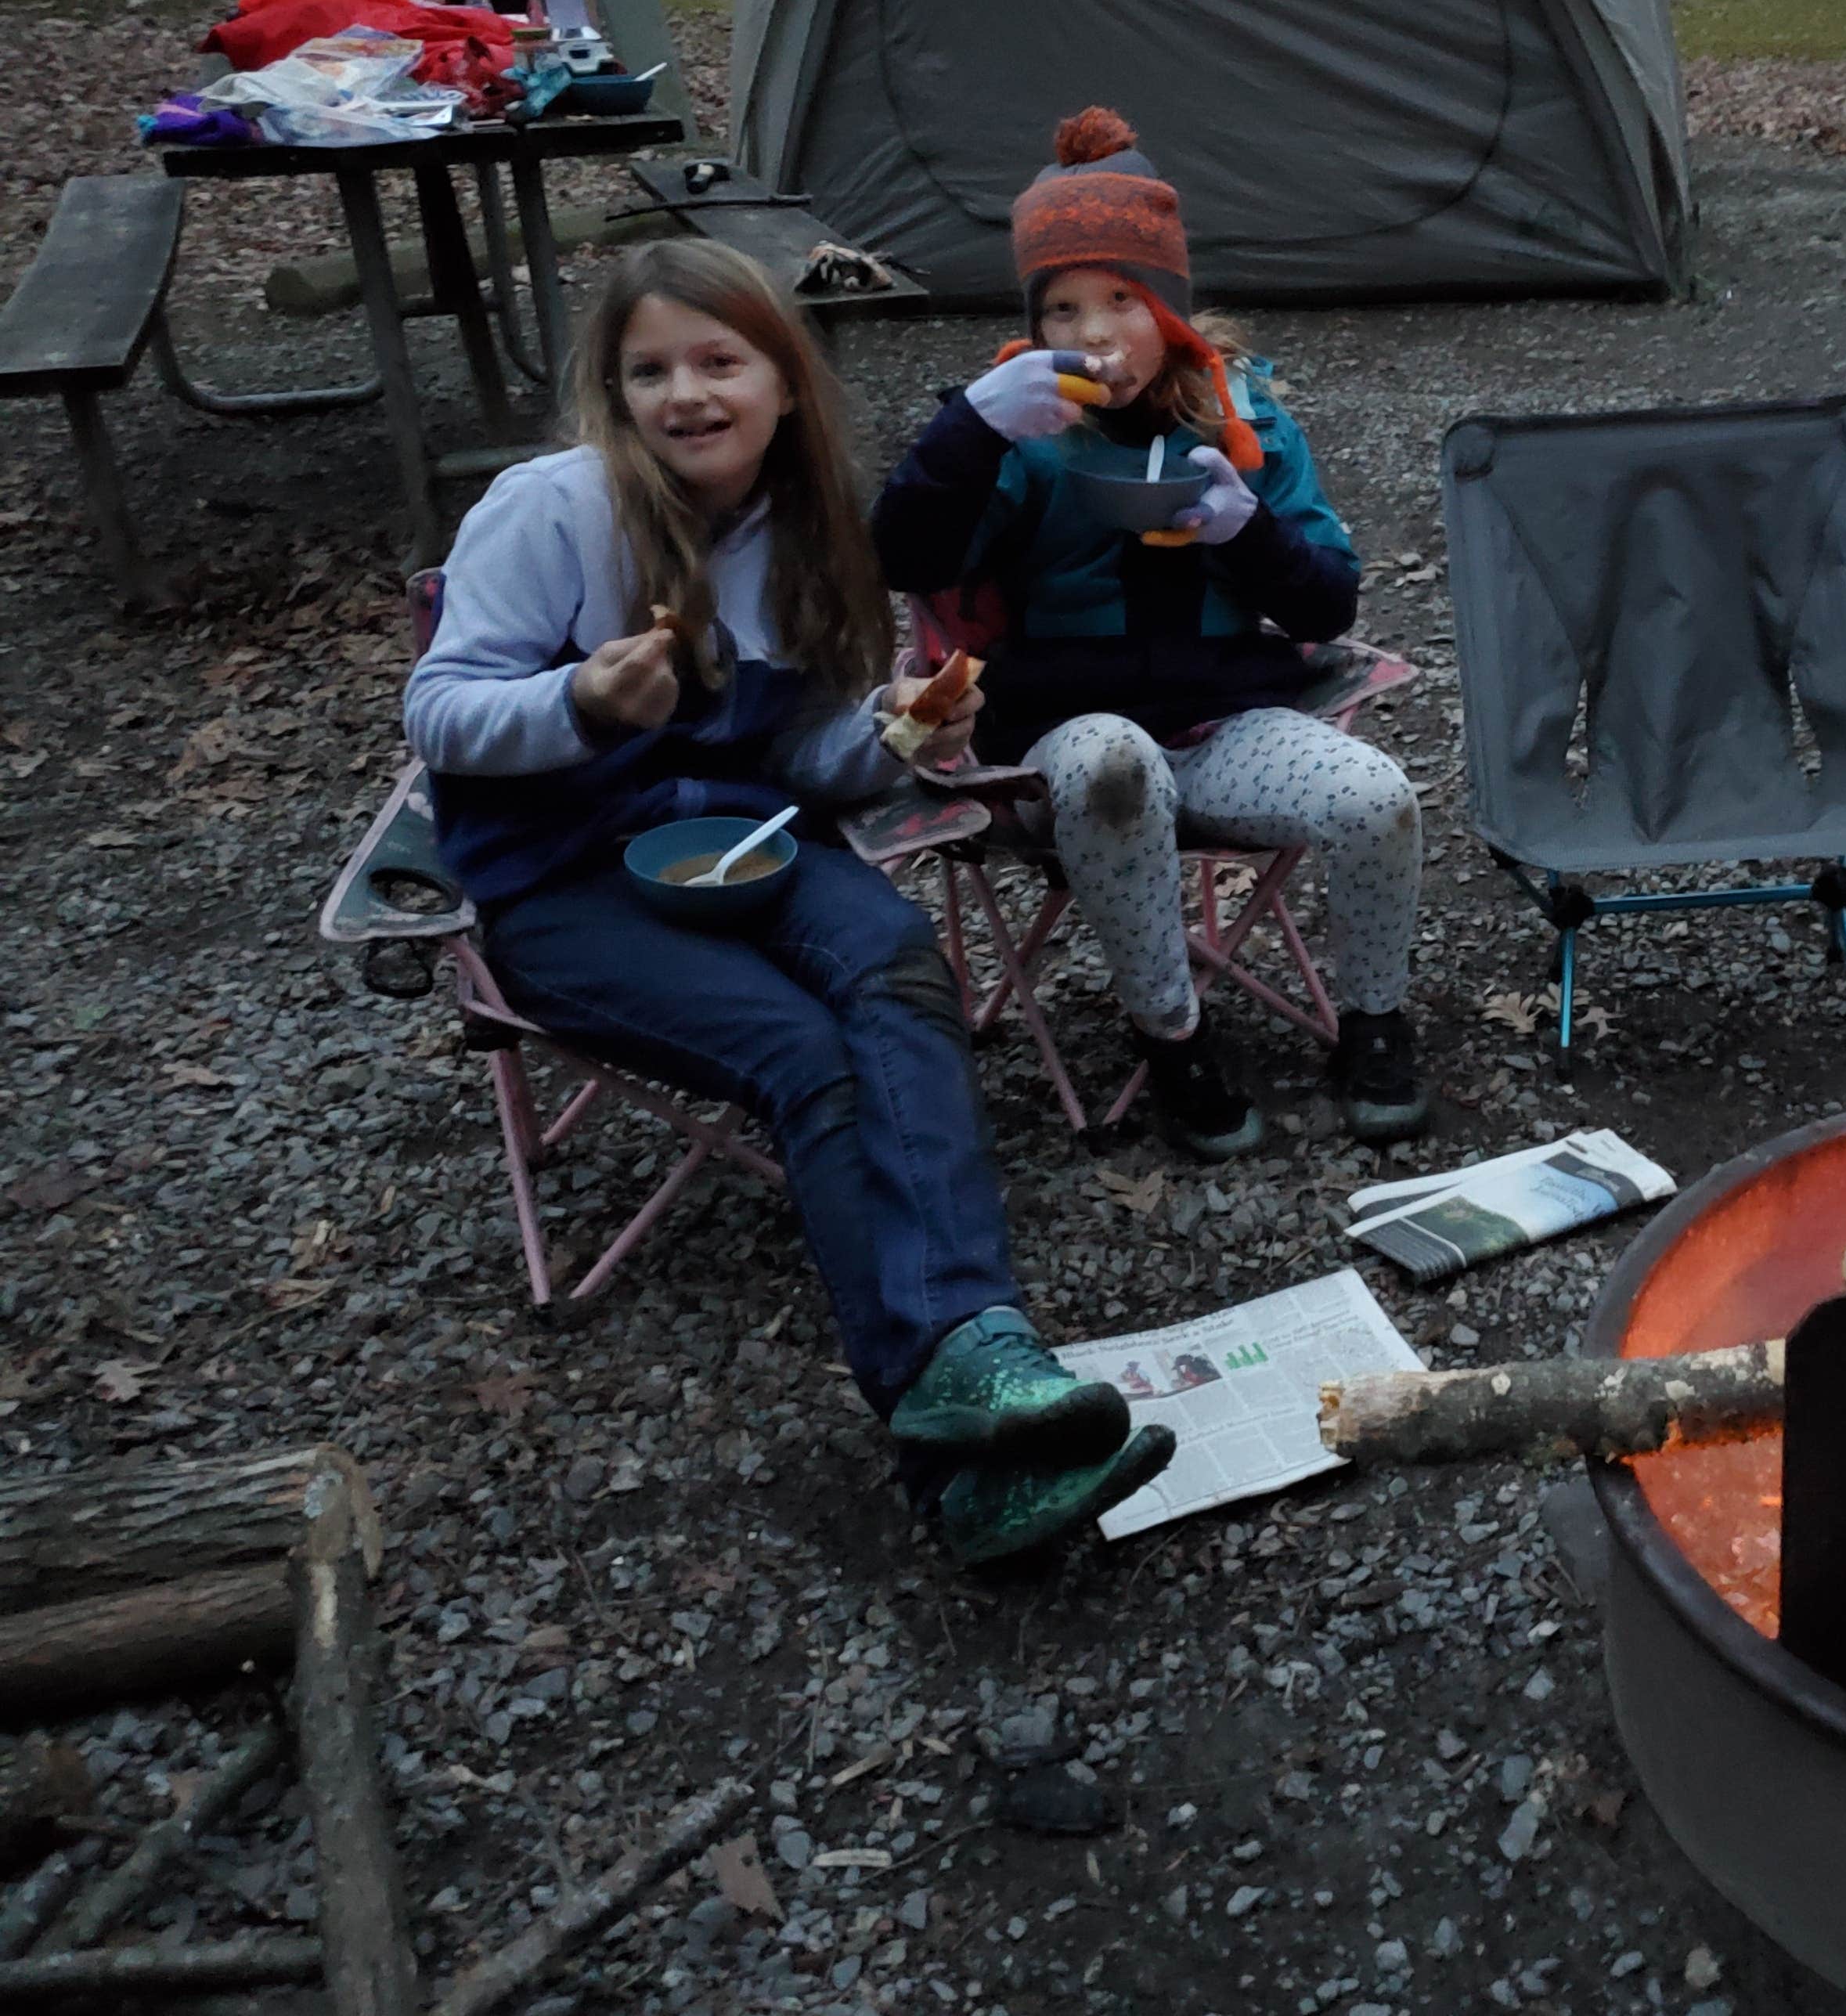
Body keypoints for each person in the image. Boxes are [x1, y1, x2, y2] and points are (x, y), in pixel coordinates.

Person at [402, 237, 1175, 1566]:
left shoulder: (807, 531)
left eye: (718, 360)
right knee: (802, 1052)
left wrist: (894, 737)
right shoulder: (551, 510)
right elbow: (439, 711)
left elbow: (805, 761)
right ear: (615, 391)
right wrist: (579, 697)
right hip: (561, 874)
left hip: (738, 840)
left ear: (781, 383)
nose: (684, 394)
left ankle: (980, 1349)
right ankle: (955, 1449)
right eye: (649, 369)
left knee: (894, 961)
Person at [871, 107, 1429, 1162]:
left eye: (1120, 301)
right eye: (1063, 308)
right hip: (1061, 739)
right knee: (1114, 763)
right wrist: (969, 428)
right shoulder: (1017, 433)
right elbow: (906, 558)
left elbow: (1327, 607)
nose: (1090, 334)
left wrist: (1244, 530)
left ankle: (1374, 1021)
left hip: (1223, 722)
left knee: (1376, 797)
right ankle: (1172, 1038)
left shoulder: (1243, 420)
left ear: (1167, 309)